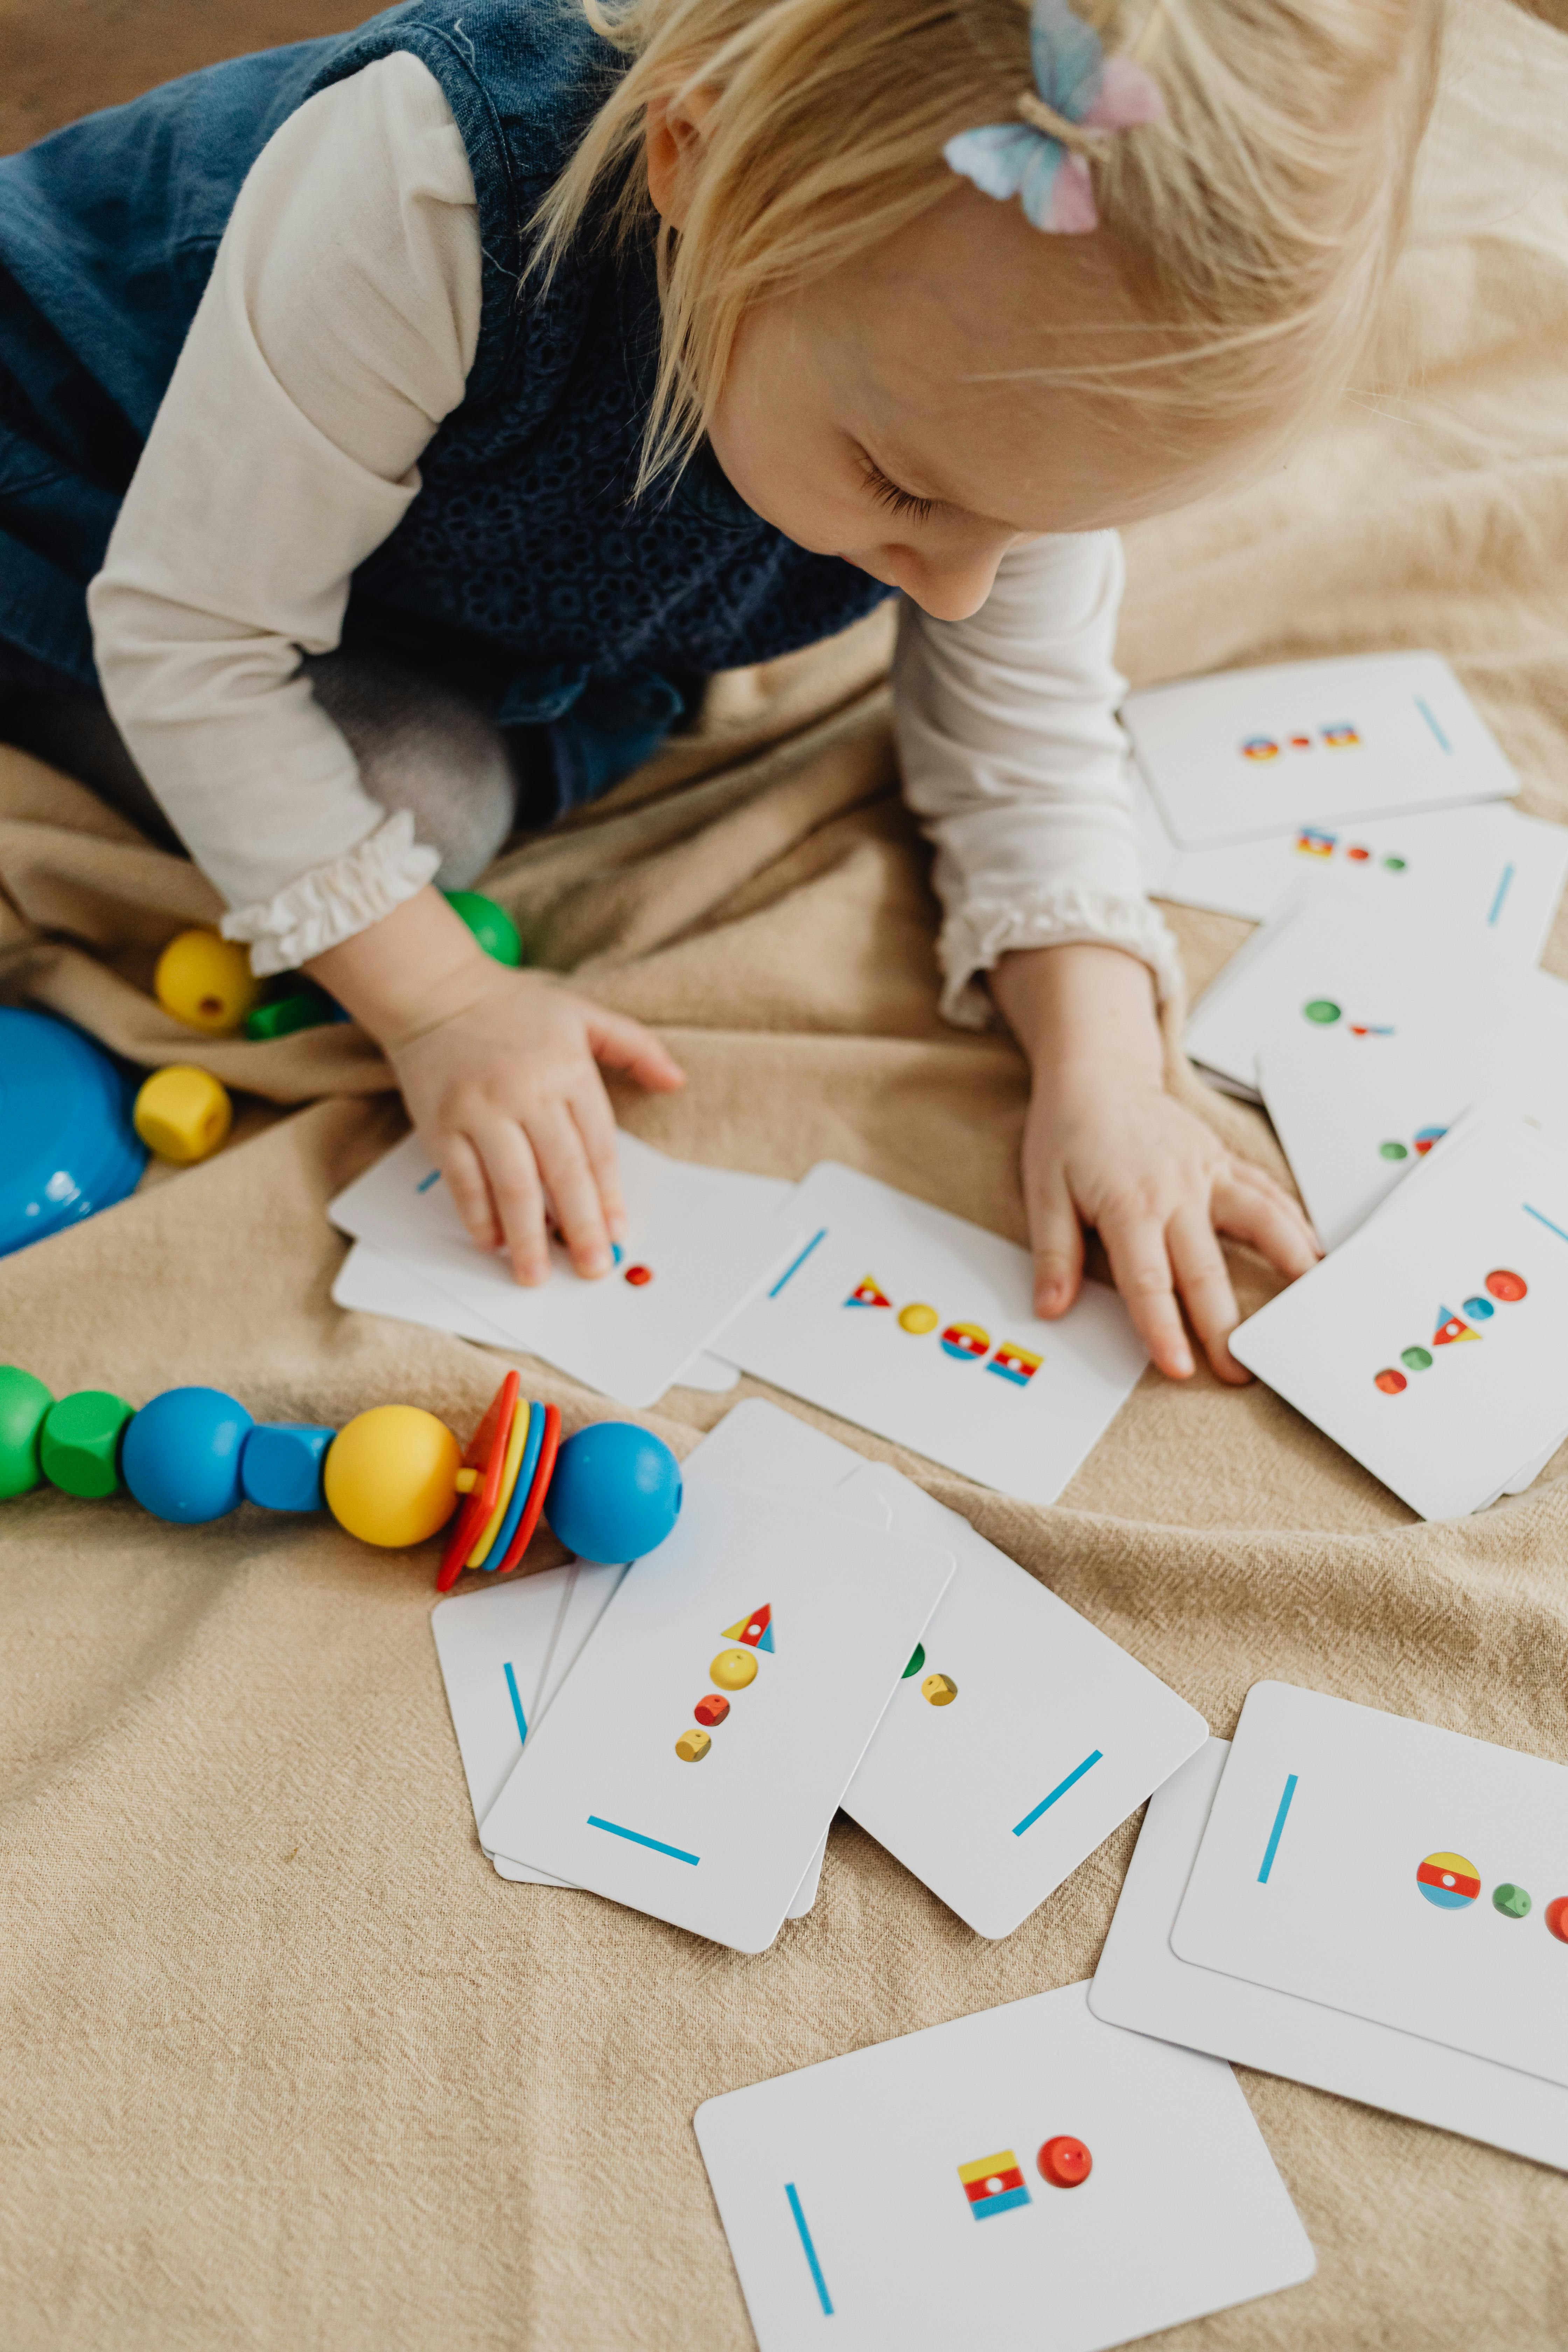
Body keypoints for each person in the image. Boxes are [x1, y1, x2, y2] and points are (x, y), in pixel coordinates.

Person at [0, 0, 1440, 1377]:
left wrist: (1106, 1067)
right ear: (699, 165)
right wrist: (441, 1004)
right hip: (85, 481)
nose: (951, 595)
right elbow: (196, 635)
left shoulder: (983, 387)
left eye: (1038, 529)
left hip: (438, 580)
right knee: (412, 815)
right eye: (905, 491)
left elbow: (1025, 728)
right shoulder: (425, 189)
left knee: (427, 797)